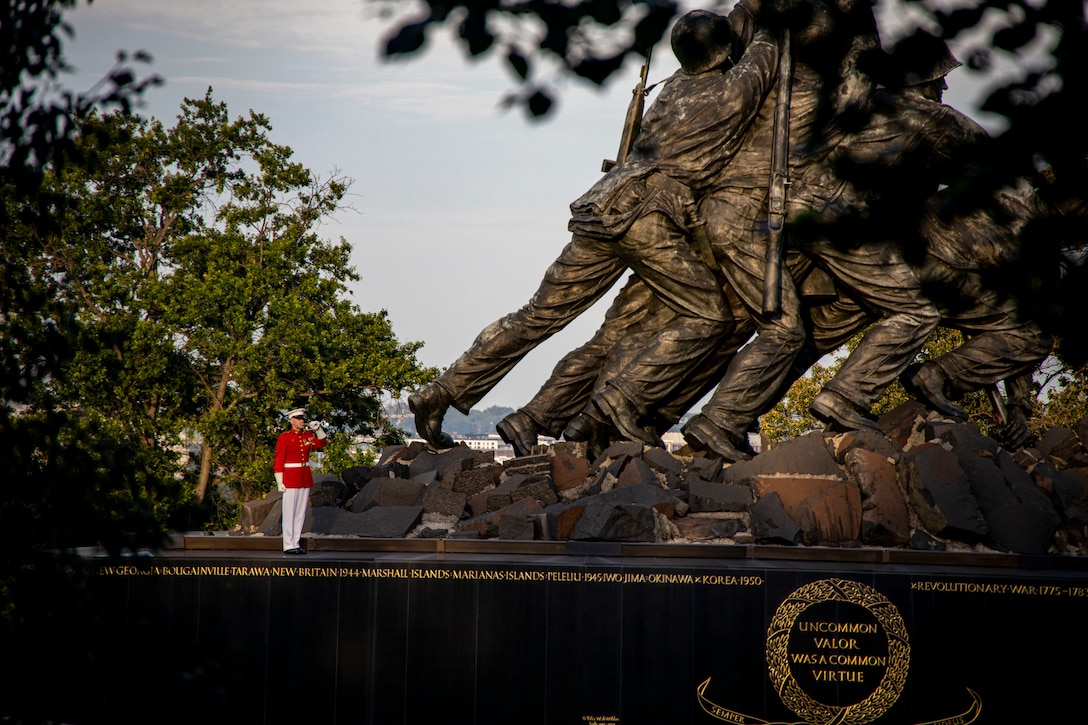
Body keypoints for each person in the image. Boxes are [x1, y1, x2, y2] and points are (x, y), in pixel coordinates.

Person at [409, 8, 780, 449]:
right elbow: (770, 45)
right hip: (646, 215)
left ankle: (443, 390)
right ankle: (622, 400)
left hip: (602, 204)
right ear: (723, 55)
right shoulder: (733, 92)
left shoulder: (674, 89)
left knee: (537, 315)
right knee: (710, 315)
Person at [274, 408, 328, 555]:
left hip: (304, 477)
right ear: (292, 420)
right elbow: (279, 460)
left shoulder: (307, 436)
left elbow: (323, 443)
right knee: (289, 512)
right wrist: (280, 481)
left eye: (302, 418)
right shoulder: (285, 437)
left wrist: (318, 429)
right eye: (298, 418)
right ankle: (288, 544)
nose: (302, 421)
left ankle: (295, 542)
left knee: (300, 513)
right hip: (291, 478)